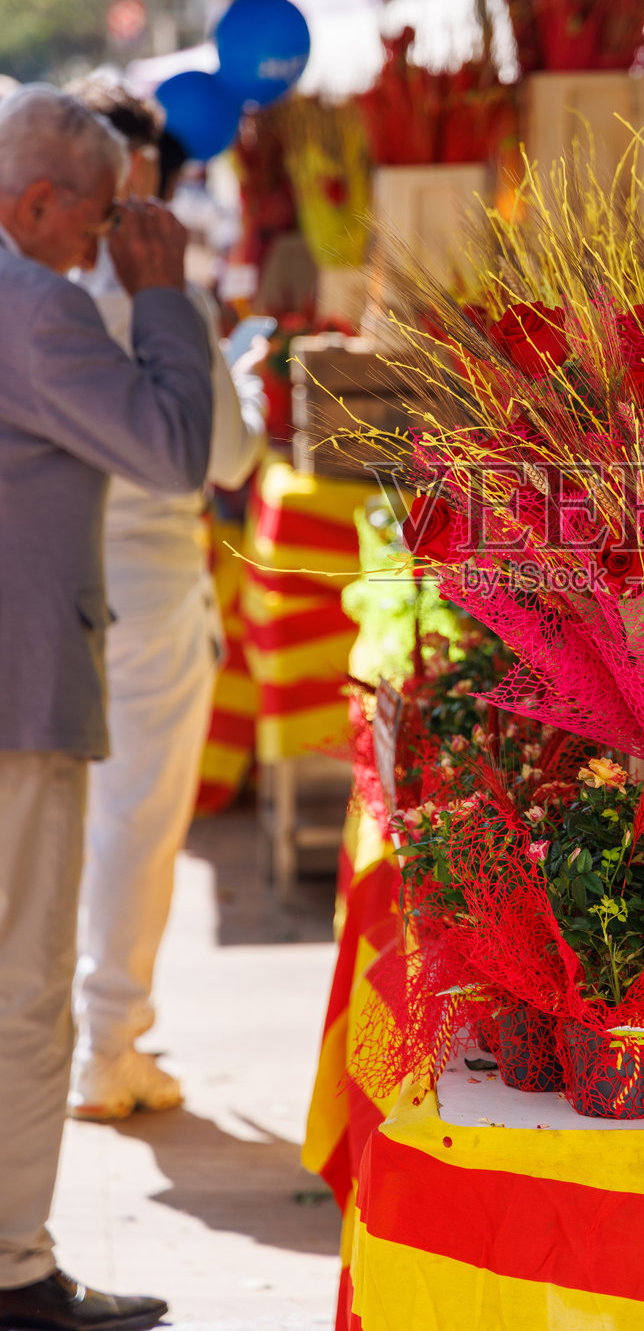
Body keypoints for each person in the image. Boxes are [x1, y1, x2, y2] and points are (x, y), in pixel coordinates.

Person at [0, 84, 213, 1330]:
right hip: (21, 691)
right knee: (28, 987)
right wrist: (161, 290)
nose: (107, 237)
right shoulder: (40, 308)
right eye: (96, 218)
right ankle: (16, 1269)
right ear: (35, 202)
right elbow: (177, 449)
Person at [64, 79, 266, 1122]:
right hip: (143, 586)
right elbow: (223, 456)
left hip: (49, 586)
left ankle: (74, 1037)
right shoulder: (157, 288)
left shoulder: (38, 280)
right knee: (136, 826)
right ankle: (109, 1042)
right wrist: (238, 376)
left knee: (64, 823)